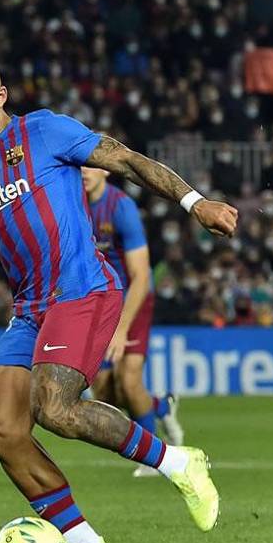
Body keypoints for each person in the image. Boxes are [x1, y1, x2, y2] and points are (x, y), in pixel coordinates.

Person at [0, 53, 238, 543]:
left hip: (82, 290)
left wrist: (195, 203)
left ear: (0, 97)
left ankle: (178, 462)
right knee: (2, 428)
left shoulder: (44, 131)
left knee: (55, 407)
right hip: (30, 309)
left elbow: (124, 160)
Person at [82, 165, 184, 477]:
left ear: (105, 171)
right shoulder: (73, 202)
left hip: (133, 298)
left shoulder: (121, 208)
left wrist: (122, 328)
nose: (83, 171)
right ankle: (161, 406)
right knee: (104, 392)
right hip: (100, 304)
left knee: (128, 380)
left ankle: (152, 458)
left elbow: (140, 276)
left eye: (90, 165)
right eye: (79, 165)